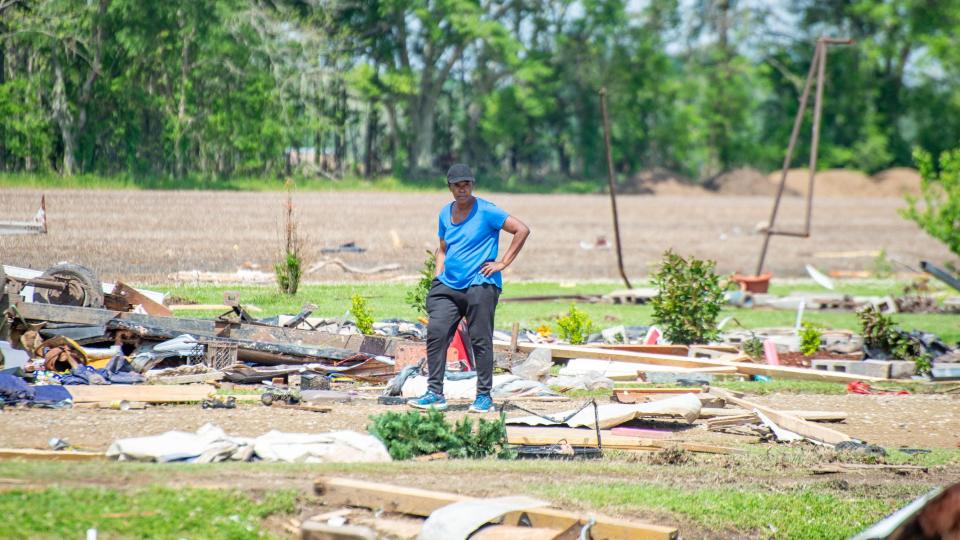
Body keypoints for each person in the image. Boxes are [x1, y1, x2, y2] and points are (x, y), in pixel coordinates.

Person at [408, 163, 530, 413]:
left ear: (472, 185)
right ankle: (434, 393)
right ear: (450, 187)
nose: (462, 189)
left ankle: (484, 396)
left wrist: (503, 263)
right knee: (437, 333)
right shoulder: (445, 213)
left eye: (467, 184)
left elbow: (521, 229)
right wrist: (437, 277)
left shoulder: (487, 211)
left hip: (481, 283)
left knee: (480, 340)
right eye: (457, 185)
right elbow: (443, 248)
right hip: (448, 284)